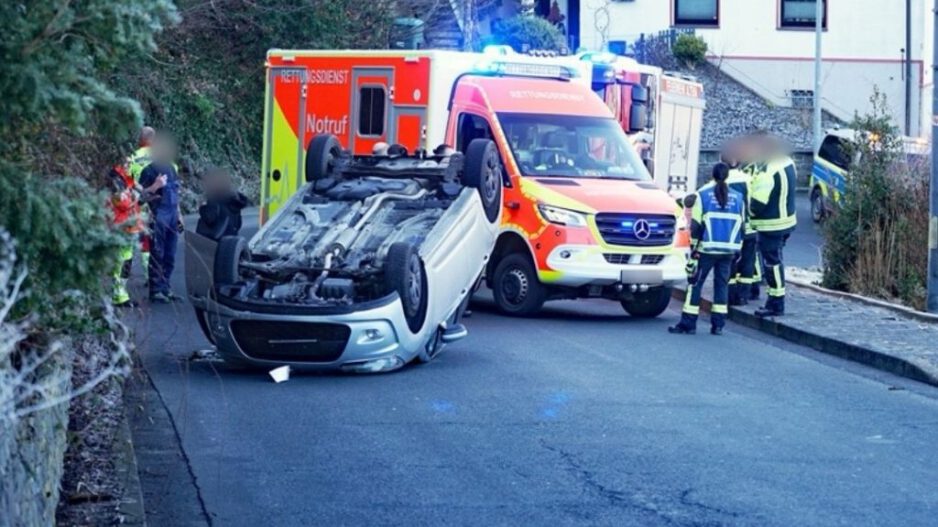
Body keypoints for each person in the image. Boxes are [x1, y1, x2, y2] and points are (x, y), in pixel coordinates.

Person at [669, 163, 745, 335]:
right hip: (728, 251)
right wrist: (738, 249)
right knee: (721, 286)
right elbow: (743, 226)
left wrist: (694, 247)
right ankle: (718, 325)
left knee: (695, 284)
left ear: (712, 175)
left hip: (706, 249)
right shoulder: (739, 198)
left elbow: (695, 225)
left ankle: (688, 324)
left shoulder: (702, 196)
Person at [749, 135, 798, 317]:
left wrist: (747, 211)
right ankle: (775, 298)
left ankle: (776, 302)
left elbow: (757, 205)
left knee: (772, 264)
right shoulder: (787, 162)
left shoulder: (766, 171)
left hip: (770, 225)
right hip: (787, 222)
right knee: (777, 260)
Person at [138, 133, 183, 303]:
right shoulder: (148, 171)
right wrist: (155, 186)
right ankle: (155, 290)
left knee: (170, 254)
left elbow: (176, 193)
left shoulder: (171, 169)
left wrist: (179, 216)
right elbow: (140, 196)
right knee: (157, 253)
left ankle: (166, 287)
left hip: (171, 215)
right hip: (157, 215)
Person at [720, 138, 758, 306]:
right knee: (748, 262)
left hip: (731, 230)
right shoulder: (747, 178)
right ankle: (745, 295)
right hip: (749, 226)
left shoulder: (721, 182)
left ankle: (731, 295)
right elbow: (753, 201)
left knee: (731, 262)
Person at [107, 163, 146, 307]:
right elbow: (123, 203)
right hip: (121, 227)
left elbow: (137, 198)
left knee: (126, 262)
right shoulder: (116, 181)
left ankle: (121, 293)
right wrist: (137, 196)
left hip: (130, 227)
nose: (132, 166)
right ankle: (118, 295)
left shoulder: (128, 181)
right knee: (120, 263)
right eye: (128, 163)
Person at [129, 126, 156, 276]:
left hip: (138, 201)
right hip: (158, 202)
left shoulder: (133, 156)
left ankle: (147, 273)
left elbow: (127, 179)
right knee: (156, 239)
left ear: (140, 139)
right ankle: (157, 276)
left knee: (142, 238)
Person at [196, 168, 250, 241]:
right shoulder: (234, 200)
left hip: (213, 243)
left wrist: (202, 207)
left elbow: (209, 219)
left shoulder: (215, 199)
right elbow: (238, 224)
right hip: (231, 242)